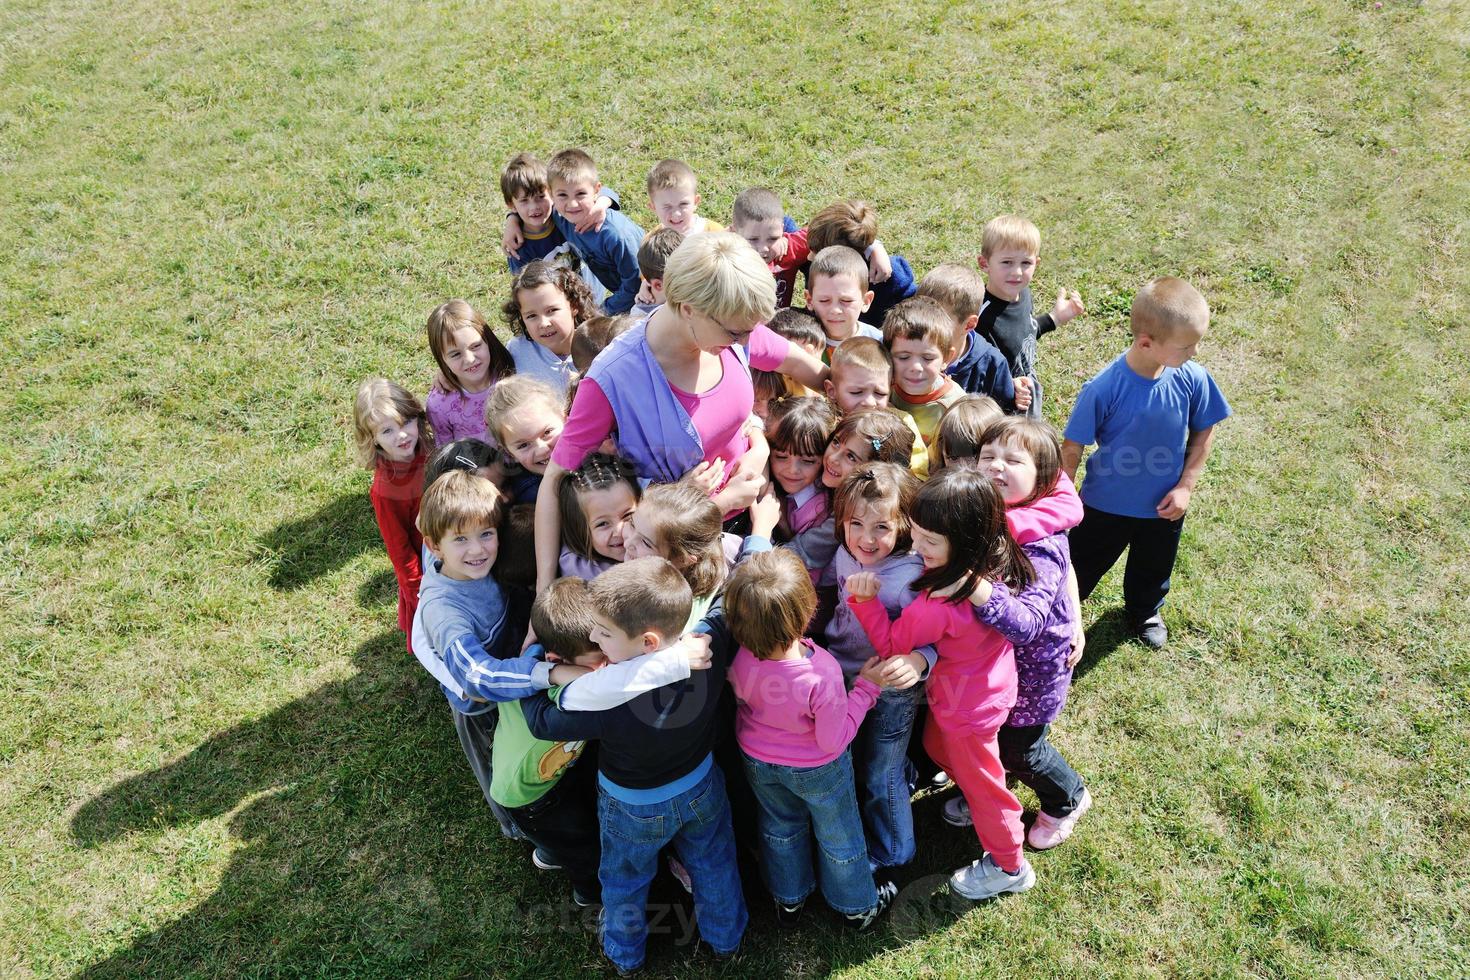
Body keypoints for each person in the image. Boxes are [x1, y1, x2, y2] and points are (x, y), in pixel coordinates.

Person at [534, 232, 827, 594]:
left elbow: (814, 371)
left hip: (754, 523)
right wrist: (542, 591)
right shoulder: (613, 379)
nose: (746, 341)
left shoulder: (736, 331)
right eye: (736, 331)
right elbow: (553, 482)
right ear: (688, 308)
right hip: (675, 556)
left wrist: (761, 450)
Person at [521, 559, 747, 975]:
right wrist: (755, 539)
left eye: (603, 632)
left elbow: (541, 722)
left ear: (646, 641)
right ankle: (726, 938)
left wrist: (533, 662)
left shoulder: (607, 698)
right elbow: (728, 598)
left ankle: (625, 955)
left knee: (625, 879)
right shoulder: (707, 642)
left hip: (632, 808)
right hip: (701, 787)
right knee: (714, 861)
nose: (592, 637)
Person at [845, 468, 1040, 901]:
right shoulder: (991, 568)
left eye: (928, 542)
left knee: (987, 791)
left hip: (963, 711)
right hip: (990, 691)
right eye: (915, 536)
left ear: (963, 538)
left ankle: (1009, 864)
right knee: (936, 748)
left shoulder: (936, 604)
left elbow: (894, 645)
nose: (916, 549)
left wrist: (864, 602)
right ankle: (977, 789)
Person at [725, 549, 898, 929]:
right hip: (818, 768)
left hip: (757, 761)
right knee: (839, 835)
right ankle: (855, 907)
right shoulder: (821, 671)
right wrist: (867, 689)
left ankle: (789, 899)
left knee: (779, 826)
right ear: (808, 609)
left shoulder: (738, 658)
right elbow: (833, 740)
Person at [941, 418, 1092, 849]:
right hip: (995, 663)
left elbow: (1027, 626)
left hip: (1035, 666)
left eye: (1012, 460)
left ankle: (1067, 797)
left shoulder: (1038, 543)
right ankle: (993, 790)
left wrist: (974, 587)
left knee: (1020, 745)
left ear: (1043, 478)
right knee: (993, 734)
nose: (996, 466)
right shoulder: (990, 514)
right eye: (988, 456)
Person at [410, 472, 584, 839]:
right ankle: (515, 824)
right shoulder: (444, 611)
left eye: (486, 534)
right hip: (483, 707)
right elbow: (478, 679)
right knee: (498, 767)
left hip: (513, 675)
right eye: (460, 539)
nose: (477, 550)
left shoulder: (480, 565)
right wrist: (547, 674)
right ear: (434, 546)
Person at [1061, 276, 1231, 648]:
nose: (1196, 352)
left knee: (1153, 566)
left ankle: (1144, 609)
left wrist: (1186, 486)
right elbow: (1073, 445)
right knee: (1079, 567)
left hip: (1164, 506)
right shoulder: (1103, 388)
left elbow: (1205, 429)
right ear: (1146, 343)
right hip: (1104, 506)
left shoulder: (1193, 378)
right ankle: (1060, 612)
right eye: (1186, 346)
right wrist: (1062, 499)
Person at [816, 463, 932, 873]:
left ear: (904, 525)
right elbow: (829, 588)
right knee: (866, 758)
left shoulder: (910, 578)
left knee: (879, 773)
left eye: (881, 527)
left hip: (890, 691)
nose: (866, 538)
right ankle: (906, 774)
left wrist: (922, 661)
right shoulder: (846, 553)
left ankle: (893, 851)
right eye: (856, 523)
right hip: (844, 675)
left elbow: (938, 636)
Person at [976, 215, 1085, 419]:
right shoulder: (982, 315)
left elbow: (1025, 332)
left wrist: (1055, 318)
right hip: (1000, 409)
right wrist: (1009, 387)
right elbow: (977, 370)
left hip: (1027, 392)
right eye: (1007, 262)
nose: (1017, 272)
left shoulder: (1023, 294)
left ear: (1037, 263)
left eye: (1026, 263)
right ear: (984, 263)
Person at [352, 378, 434, 651]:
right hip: (427, 568)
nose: (401, 436)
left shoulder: (431, 450)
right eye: (387, 431)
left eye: (405, 423)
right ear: (372, 439)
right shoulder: (385, 491)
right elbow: (399, 551)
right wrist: (419, 593)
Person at [498, 152, 613, 305]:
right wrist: (512, 219)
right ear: (511, 205)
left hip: (593, 296)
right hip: (559, 307)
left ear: (552, 194)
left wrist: (602, 203)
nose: (535, 207)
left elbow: (606, 192)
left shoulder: (564, 215)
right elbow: (527, 291)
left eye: (540, 196)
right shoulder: (518, 247)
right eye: (524, 201)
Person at [916, 263, 1029, 412]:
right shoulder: (905, 344)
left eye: (939, 319)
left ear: (969, 325)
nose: (925, 323)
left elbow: (1003, 419)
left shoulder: (992, 364)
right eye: (921, 311)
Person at [824, 337, 928, 476]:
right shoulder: (825, 420)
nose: (870, 402)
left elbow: (917, 476)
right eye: (857, 392)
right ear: (831, 391)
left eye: (880, 393)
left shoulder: (901, 425)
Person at [423, 300, 515, 450]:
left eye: (476, 346)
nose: (470, 359)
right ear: (442, 359)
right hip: (475, 471)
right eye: (455, 354)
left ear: (487, 341)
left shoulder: (510, 371)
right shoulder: (439, 404)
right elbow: (445, 453)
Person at [765, 396, 840, 577]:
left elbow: (806, 567)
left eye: (808, 461)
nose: (793, 470)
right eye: (781, 457)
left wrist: (777, 525)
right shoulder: (767, 483)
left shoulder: (828, 508)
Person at [805, 199, 911, 326]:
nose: (808, 257)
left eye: (816, 253)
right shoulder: (819, 247)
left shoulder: (891, 276)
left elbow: (916, 307)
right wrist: (875, 246)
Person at [502, 261, 599, 398]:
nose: (543, 323)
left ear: (574, 305)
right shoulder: (517, 351)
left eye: (551, 310)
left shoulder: (599, 345)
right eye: (531, 316)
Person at [883, 296, 966, 446]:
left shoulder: (956, 408)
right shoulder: (881, 390)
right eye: (903, 357)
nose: (915, 367)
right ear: (888, 354)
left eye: (927, 358)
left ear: (947, 358)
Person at [557, 452, 640, 580]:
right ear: (579, 532)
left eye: (628, 515)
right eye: (603, 523)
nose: (619, 531)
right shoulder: (582, 576)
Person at [483, 375, 566, 503]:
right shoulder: (527, 497)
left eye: (547, 432)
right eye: (523, 445)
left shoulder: (598, 452)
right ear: (509, 453)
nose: (541, 450)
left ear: (565, 419)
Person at [730, 186, 808, 309]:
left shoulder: (787, 250)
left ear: (782, 229)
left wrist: (784, 239)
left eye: (772, 238)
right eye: (753, 239)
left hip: (778, 325)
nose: (764, 248)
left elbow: (824, 229)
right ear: (734, 232)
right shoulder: (725, 260)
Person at [805, 246, 881, 352]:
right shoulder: (800, 342)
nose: (835, 310)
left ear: (866, 301)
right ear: (810, 300)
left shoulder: (880, 343)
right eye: (824, 300)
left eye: (846, 301)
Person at [645, 158, 723, 235]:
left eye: (683, 204)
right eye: (667, 206)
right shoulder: (651, 241)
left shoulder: (715, 233)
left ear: (695, 202)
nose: (676, 214)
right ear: (653, 207)